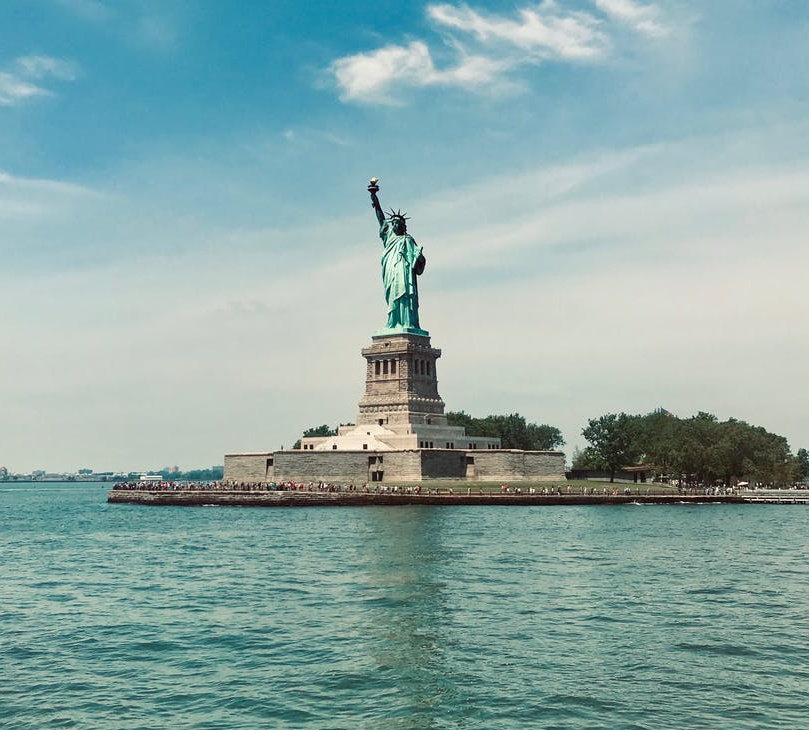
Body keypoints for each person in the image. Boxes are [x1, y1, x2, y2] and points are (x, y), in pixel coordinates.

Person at [368, 178, 426, 330]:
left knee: (406, 295)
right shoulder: (388, 236)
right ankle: (393, 322)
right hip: (391, 270)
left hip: (405, 273)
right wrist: (374, 197)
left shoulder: (408, 239)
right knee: (393, 295)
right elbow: (380, 216)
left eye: (397, 223)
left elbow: (419, 261)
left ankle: (408, 322)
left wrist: (419, 258)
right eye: (392, 222)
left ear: (402, 225)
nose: (394, 224)